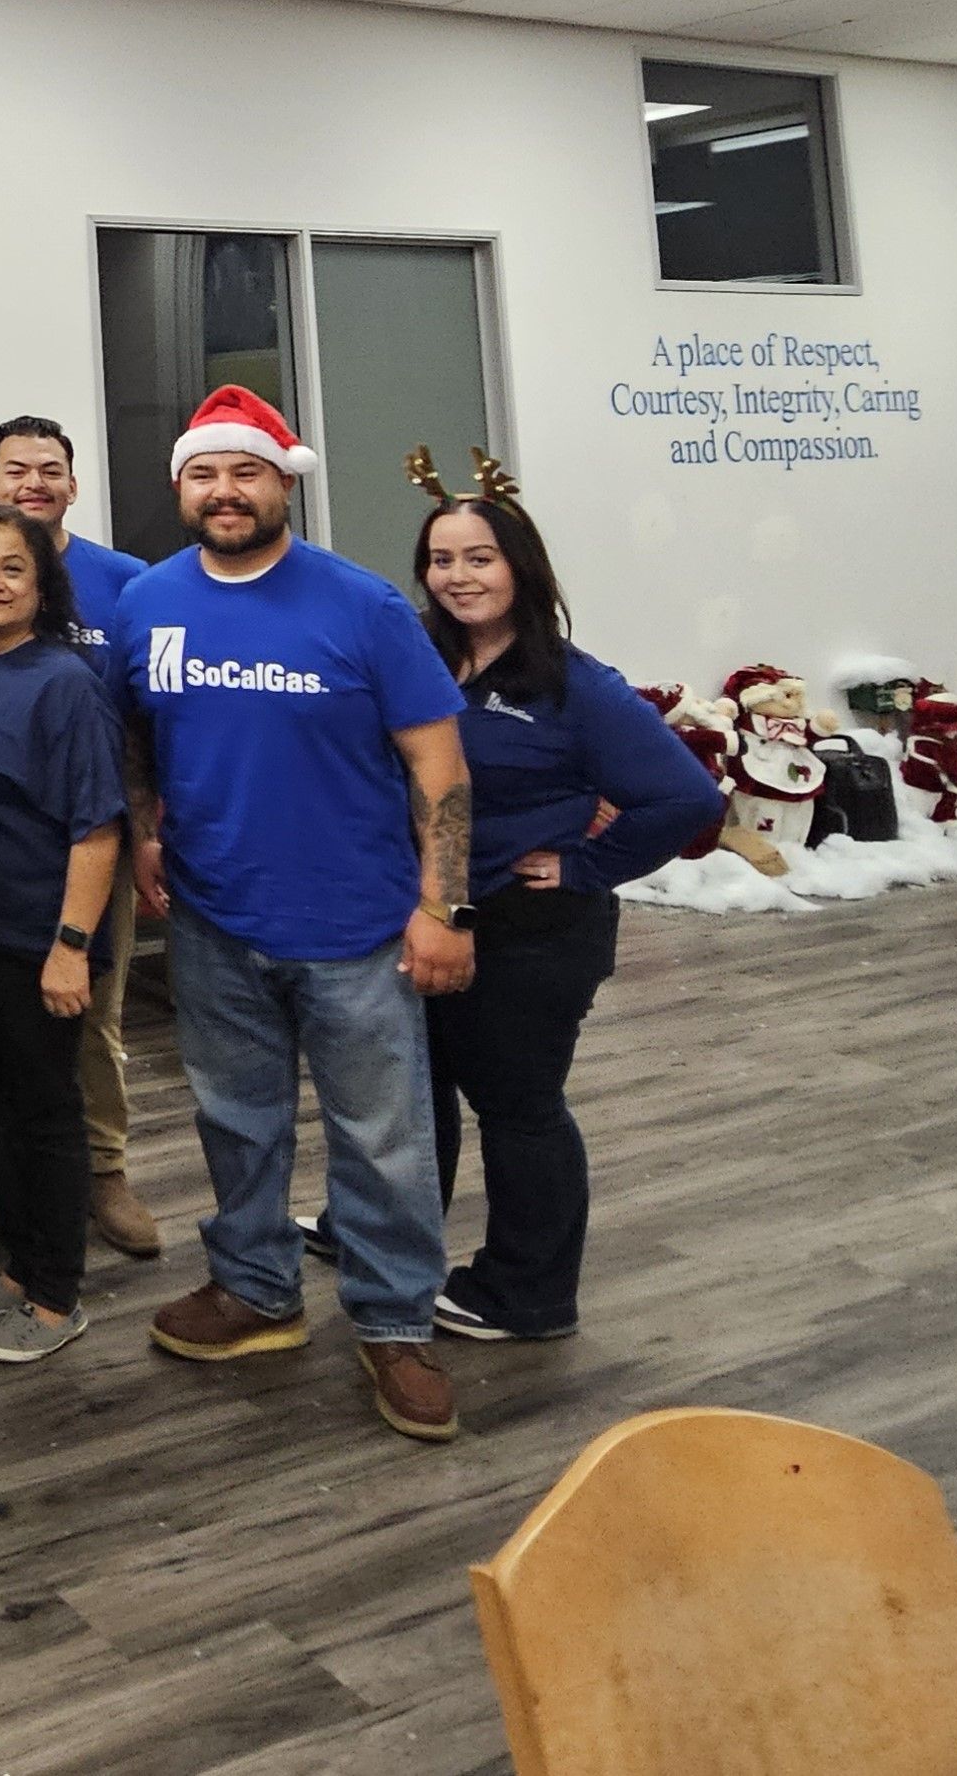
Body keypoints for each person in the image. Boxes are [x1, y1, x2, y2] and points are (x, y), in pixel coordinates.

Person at [113, 387, 474, 1444]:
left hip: (359, 928)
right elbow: (136, 735)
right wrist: (144, 831)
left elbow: (437, 765)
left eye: (245, 473)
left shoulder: (360, 607)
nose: (224, 492)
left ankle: (396, 1322)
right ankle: (256, 1289)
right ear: (180, 487)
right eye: (203, 475)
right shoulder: (147, 604)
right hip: (215, 921)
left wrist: (442, 906)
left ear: (283, 483)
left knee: (383, 1141)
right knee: (236, 1122)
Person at [305, 451, 710, 1341]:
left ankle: (528, 1293)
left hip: (530, 935)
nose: (458, 577)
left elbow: (686, 798)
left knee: (519, 1109)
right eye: (442, 560)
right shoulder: (416, 656)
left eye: (478, 557)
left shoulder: (576, 685)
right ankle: (378, 1234)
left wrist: (585, 866)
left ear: (520, 567)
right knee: (416, 1092)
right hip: (423, 916)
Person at [0, 417, 159, 1259]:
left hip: (84, 841)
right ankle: (13, 1181)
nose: (34, 481)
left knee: (88, 1020)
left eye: (51, 469)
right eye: (16, 469)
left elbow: (143, 719)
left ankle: (100, 1175)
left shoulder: (124, 585)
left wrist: (145, 831)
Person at [0, 506, 126, 1371]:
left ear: (41, 587)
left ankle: (55, 1292)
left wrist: (72, 945)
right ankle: (21, 1264)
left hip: (35, 936)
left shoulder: (65, 682)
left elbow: (97, 829)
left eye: (10, 569)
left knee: (44, 1112)